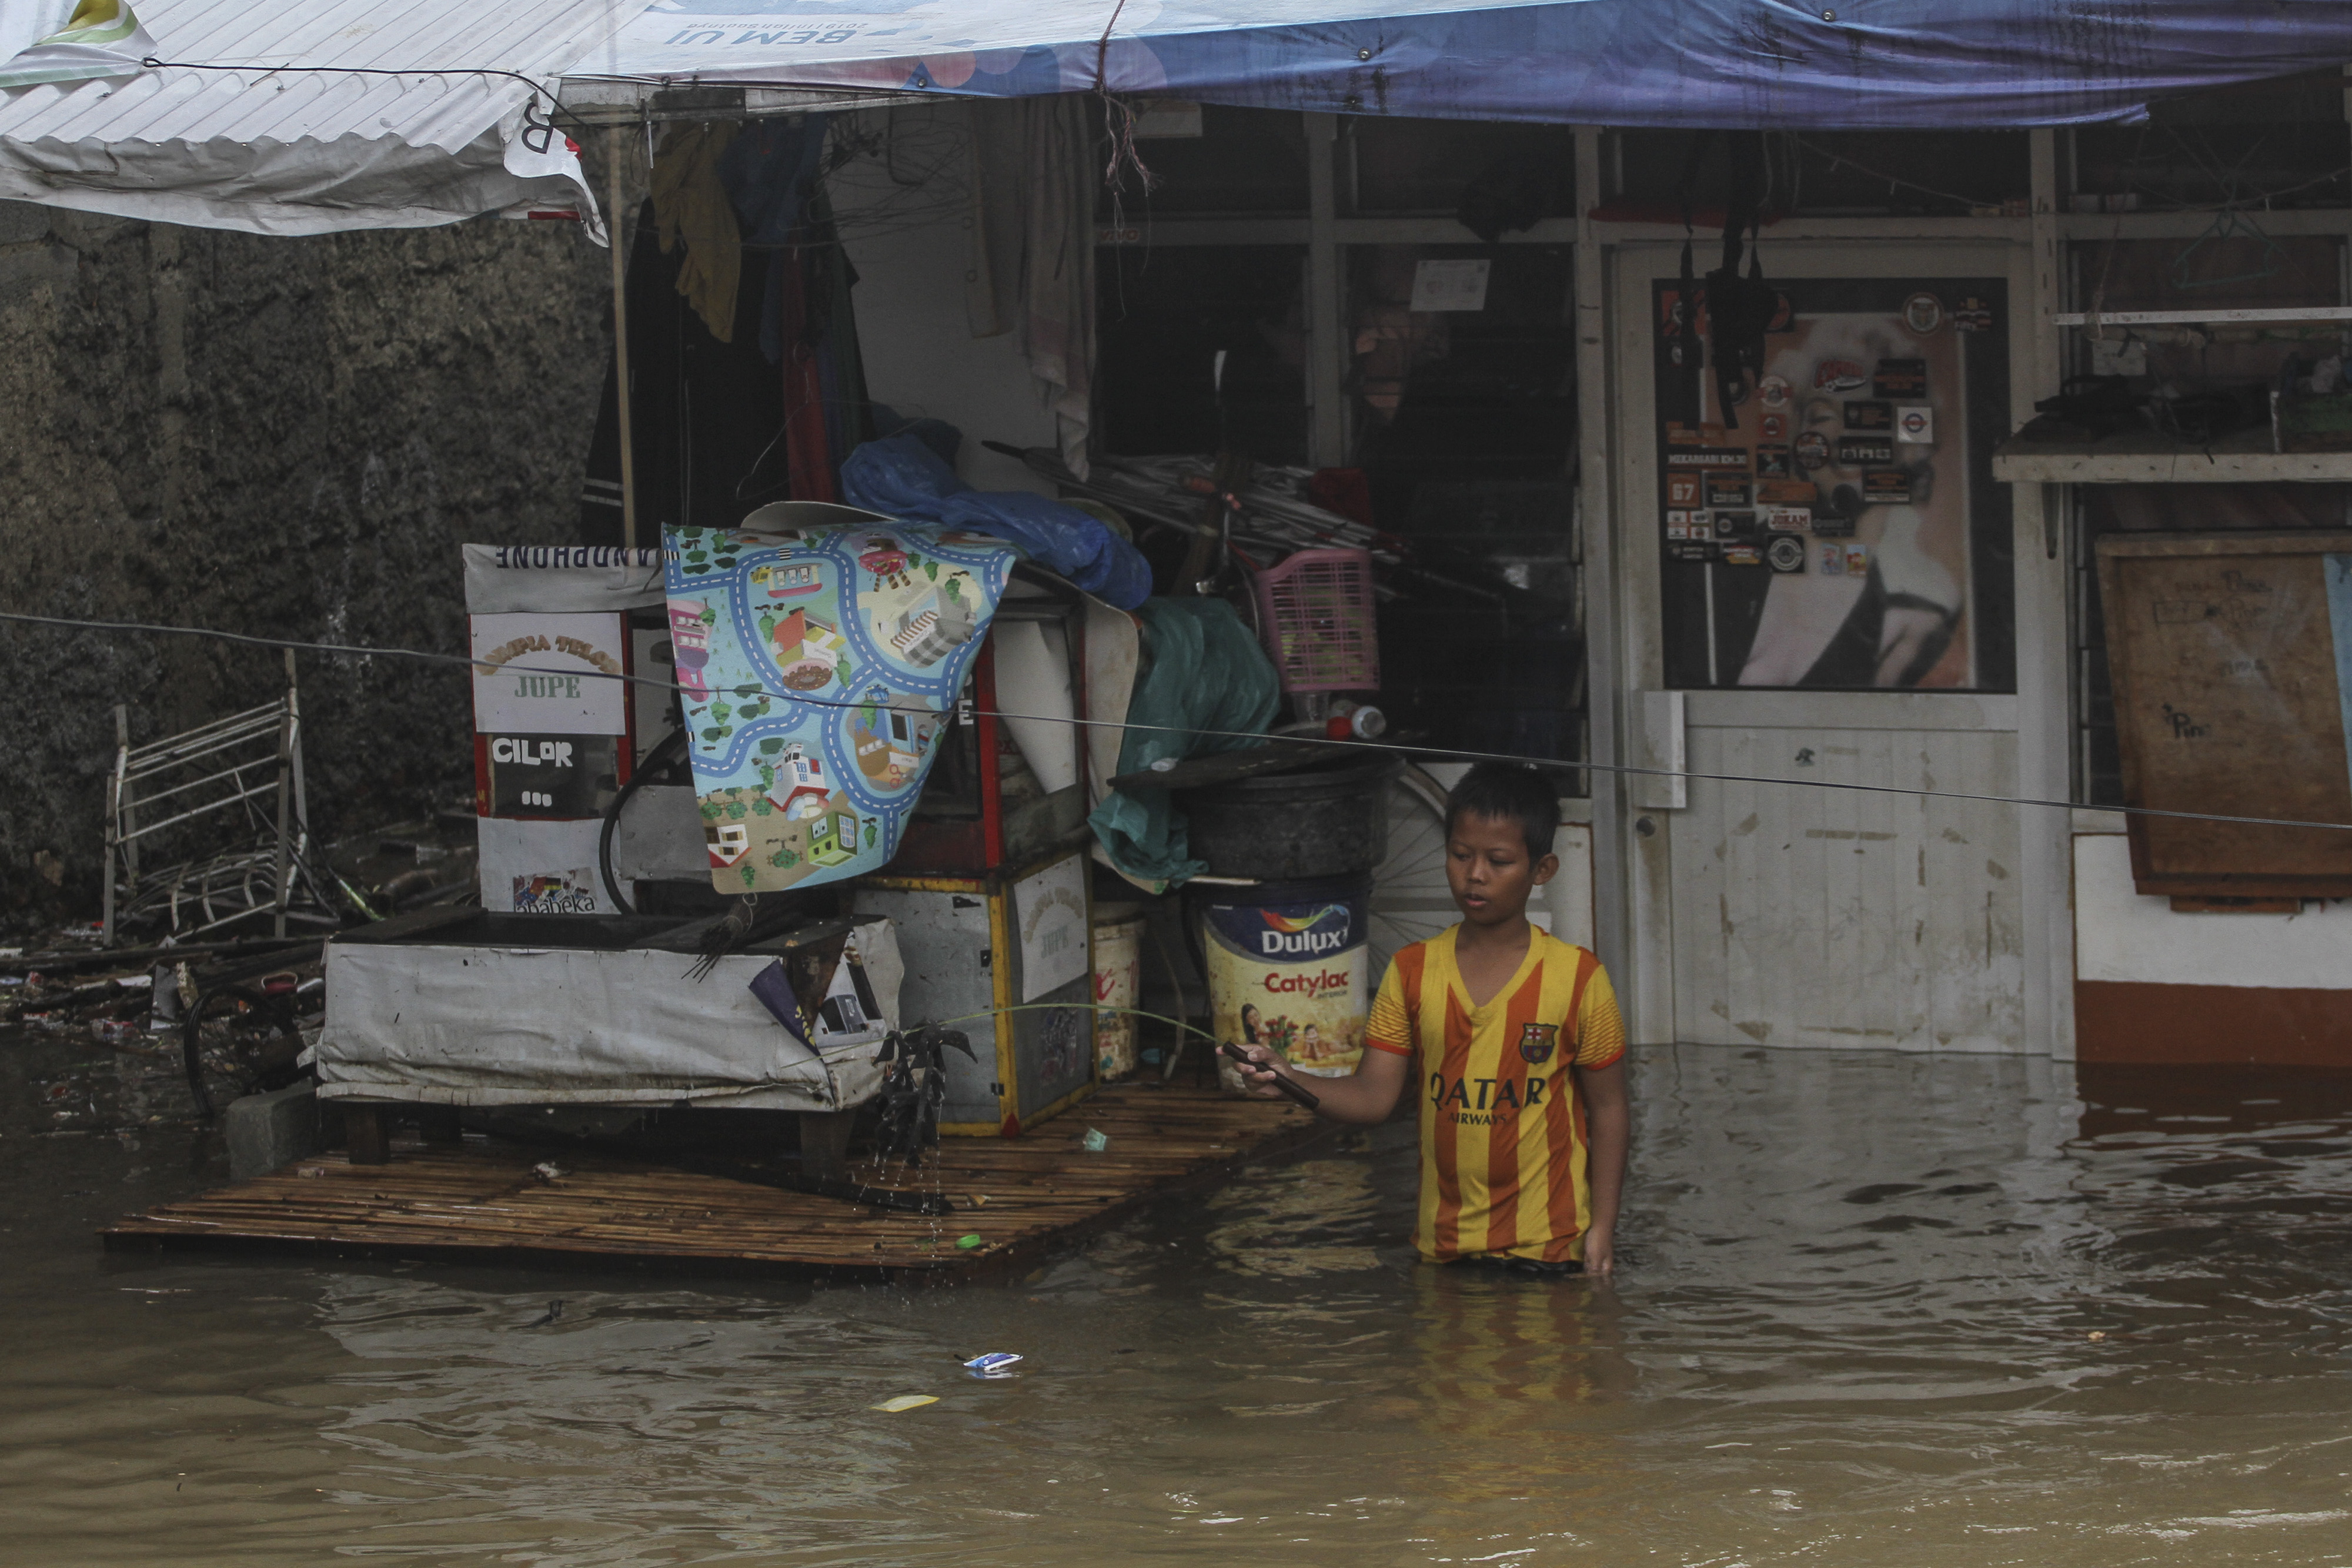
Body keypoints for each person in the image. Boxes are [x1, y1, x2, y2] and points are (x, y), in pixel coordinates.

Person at [1234, 763, 1630, 1278]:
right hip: (1444, 1250)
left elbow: (1610, 1109)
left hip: (1550, 1251)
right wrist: (1291, 1078)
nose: (1476, 874)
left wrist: (1602, 1227)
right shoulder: (1412, 971)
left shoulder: (1579, 978)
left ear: (1542, 869)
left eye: (1499, 860)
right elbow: (1375, 1098)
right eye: (1461, 855)